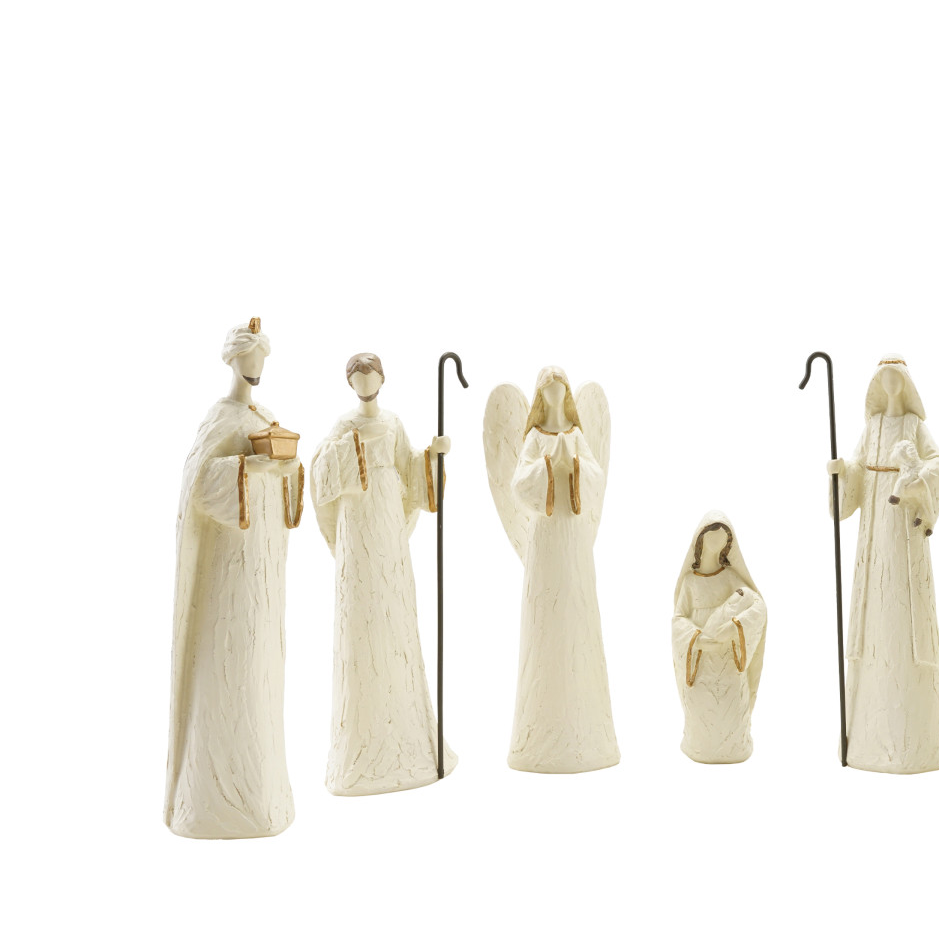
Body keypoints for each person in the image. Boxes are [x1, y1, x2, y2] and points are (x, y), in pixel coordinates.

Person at [165, 319, 302, 838]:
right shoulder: (220, 418)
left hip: (261, 564)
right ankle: (214, 795)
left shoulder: (265, 417)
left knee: (261, 666)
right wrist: (249, 468)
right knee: (230, 662)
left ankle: (260, 790)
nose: (256, 366)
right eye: (250, 358)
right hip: (228, 570)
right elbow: (199, 485)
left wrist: (286, 471)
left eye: (262, 358)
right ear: (234, 361)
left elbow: (283, 477)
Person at [310, 353, 455, 794]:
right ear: (350, 383)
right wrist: (345, 457)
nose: (365, 384)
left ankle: (409, 733)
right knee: (363, 613)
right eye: (358, 378)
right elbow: (320, 475)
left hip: (388, 518)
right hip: (358, 521)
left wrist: (434, 457)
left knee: (394, 612)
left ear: (381, 380)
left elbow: (411, 468)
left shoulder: (392, 423)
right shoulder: (343, 426)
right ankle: (364, 740)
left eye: (370, 376)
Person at [484, 366, 619, 772]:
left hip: (573, 537)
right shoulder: (534, 438)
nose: (556, 394)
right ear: (541, 396)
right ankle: (540, 733)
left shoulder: (577, 435)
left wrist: (572, 464)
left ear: (568, 395)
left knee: (576, 615)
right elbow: (518, 484)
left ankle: (586, 731)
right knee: (548, 618)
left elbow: (594, 478)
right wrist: (548, 465)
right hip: (545, 539)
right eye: (549, 389)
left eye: (561, 388)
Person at [826, 357, 939, 773]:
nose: (890, 381)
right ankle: (866, 738)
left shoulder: (915, 426)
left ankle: (917, 739)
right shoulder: (873, 426)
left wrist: (918, 480)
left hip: (904, 535)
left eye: (896, 375)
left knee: (903, 612)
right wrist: (842, 472)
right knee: (875, 616)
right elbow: (858, 469)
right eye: (884, 376)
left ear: (907, 382)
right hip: (874, 536)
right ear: (878, 384)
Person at [671, 512, 767, 763]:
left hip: (727, 658)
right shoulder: (689, 582)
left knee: (729, 705)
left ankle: (734, 745)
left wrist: (735, 627)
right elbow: (678, 619)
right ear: (700, 539)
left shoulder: (731, 578)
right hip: (701, 658)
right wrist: (697, 639)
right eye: (713, 535)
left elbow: (757, 606)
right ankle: (699, 745)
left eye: (723, 537)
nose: (718, 541)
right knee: (703, 707)